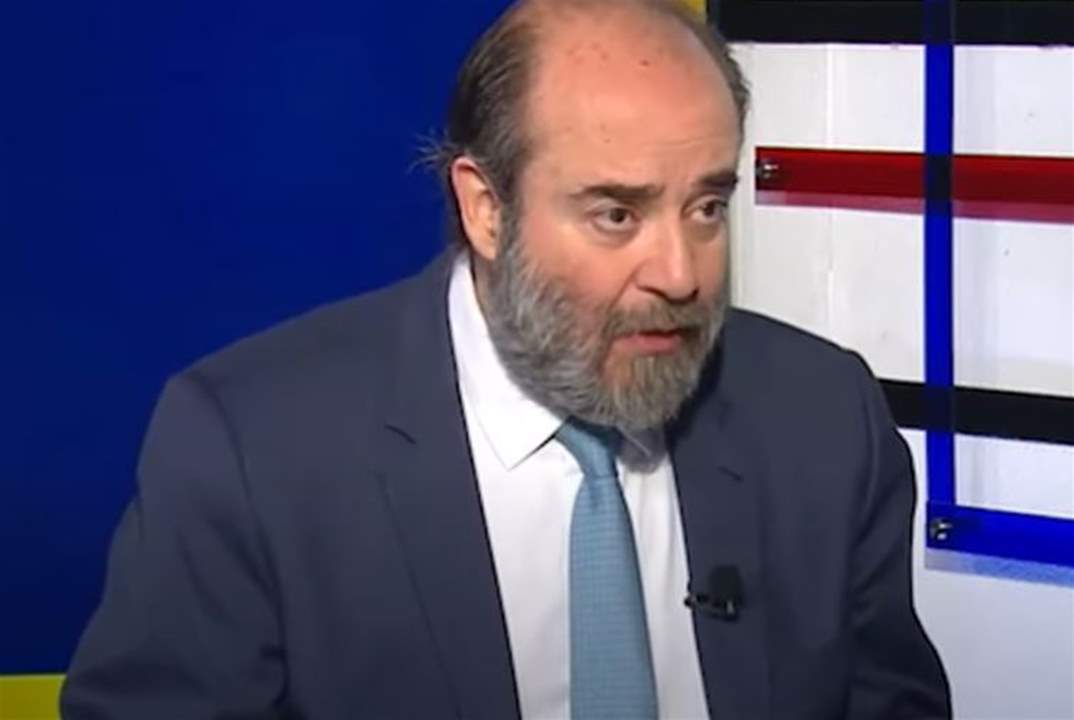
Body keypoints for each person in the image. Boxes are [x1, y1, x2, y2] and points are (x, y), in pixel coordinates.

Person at [61, 1, 951, 718]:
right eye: (617, 215)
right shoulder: (251, 452)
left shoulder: (824, 419)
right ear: (486, 210)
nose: (681, 272)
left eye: (707, 207)